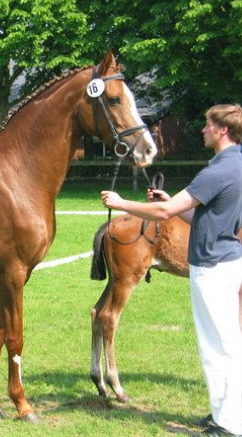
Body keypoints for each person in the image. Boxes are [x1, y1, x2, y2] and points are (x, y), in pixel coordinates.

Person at [101, 104, 242, 437]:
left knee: (217, 347)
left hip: (211, 267)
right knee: (225, 343)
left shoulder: (217, 172)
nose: (203, 130)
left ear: (222, 130)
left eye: (208, 125)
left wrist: (121, 203)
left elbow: (164, 211)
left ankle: (229, 424)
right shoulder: (236, 166)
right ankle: (224, 413)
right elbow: (201, 218)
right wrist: (172, 202)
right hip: (229, 261)